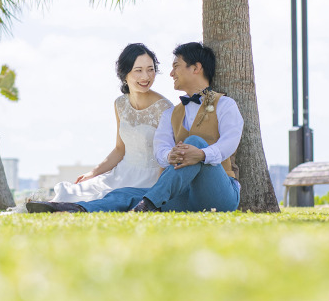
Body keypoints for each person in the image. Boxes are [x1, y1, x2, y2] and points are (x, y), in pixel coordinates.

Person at [27, 42, 242, 213]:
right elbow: (160, 151)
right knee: (125, 193)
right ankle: (75, 208)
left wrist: (200, 154)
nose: (170, 73)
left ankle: (149, 203)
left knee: (193, 142)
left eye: (176, 65)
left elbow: (228, 145)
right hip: (185, 196)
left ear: (195, 68)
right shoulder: (172, 113)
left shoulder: (225, 105)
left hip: (220, 195)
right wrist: (171, 156)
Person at [49, 43, 173, 203]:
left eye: (150, 69)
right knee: (72, 193)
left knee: (104, 200)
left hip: (151, 178)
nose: (146, 77)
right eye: (138, 70)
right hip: (121, 173)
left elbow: (168, 156)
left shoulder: (165, 108)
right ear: (124, 73)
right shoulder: (120, 104)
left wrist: (158, 190)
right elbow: (120, 149)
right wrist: (93, 174)